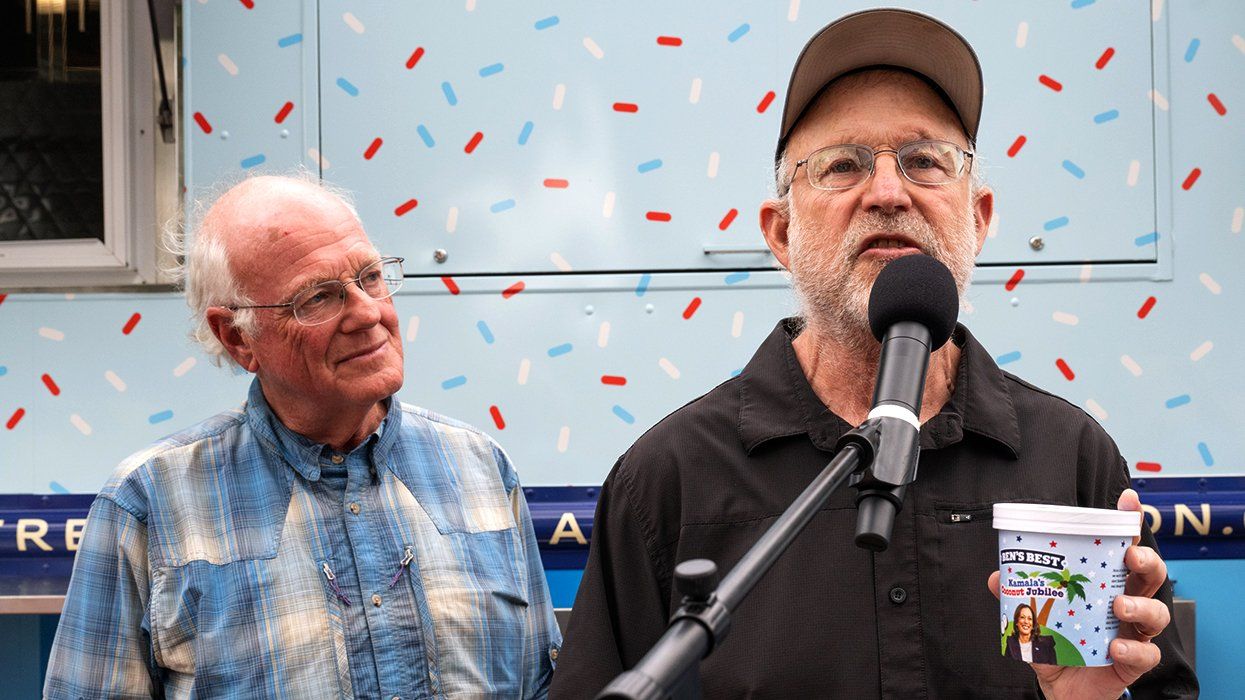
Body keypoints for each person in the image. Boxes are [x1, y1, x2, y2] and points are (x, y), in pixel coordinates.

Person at [551, 8, 1196, 699]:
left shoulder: (1070, 457)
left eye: (924, 161)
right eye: (842, 165)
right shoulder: (668, 479)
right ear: (780, 233)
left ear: (977, 219)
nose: (888, 193)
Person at [44, 175, 561, 698]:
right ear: (237, 337)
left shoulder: (480, 466)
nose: (369, 312)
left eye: (371, 277)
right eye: (318, 297)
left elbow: (543, 686)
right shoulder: (149, 502)